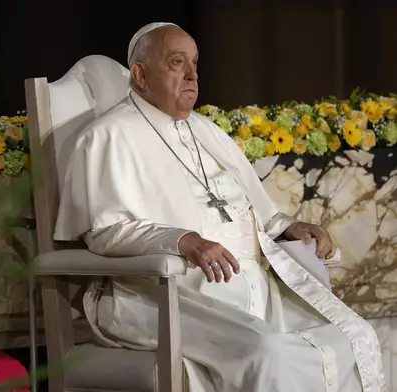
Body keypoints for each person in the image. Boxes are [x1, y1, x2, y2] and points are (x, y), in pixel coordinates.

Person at [53, 22, 385, 392]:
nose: (192, 75)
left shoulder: (206, 130)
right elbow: (105, 232)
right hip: (158, 294)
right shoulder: (107, 136)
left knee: (351, 337)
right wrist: (185, 241)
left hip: (249, 290)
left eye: (195, 63)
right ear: (140, 74)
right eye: (177, 63)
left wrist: (288, 227)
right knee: (269, 353)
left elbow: (251, 209)